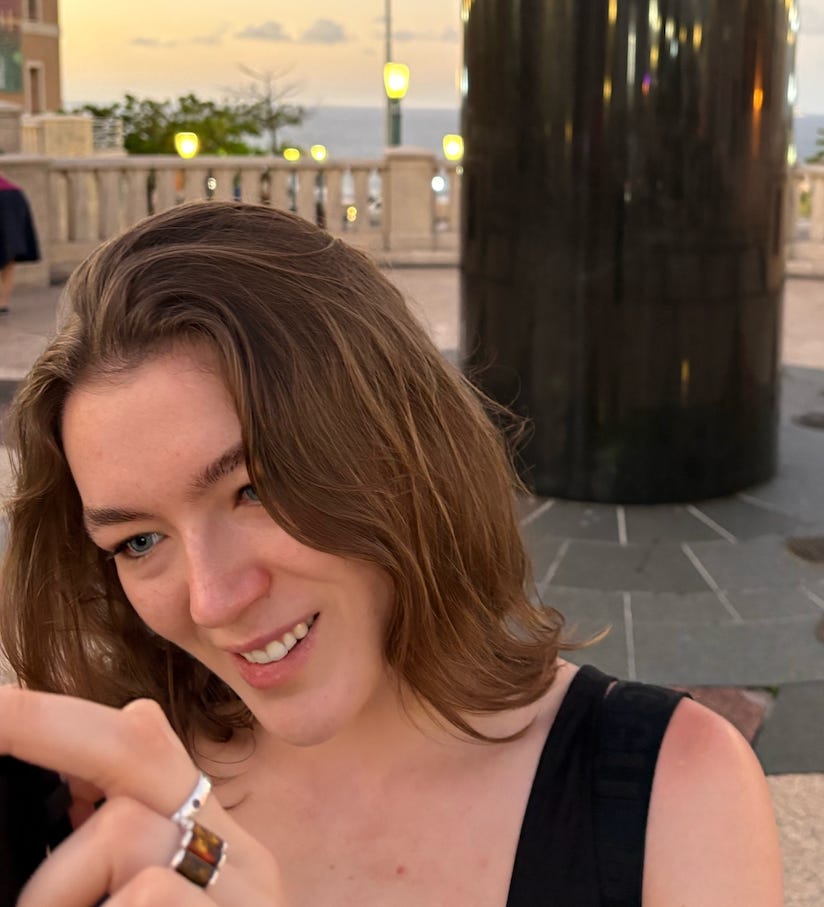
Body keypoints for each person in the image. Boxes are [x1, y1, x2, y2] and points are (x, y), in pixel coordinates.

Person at [0, 201, 783, 906]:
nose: (212, 598)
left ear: (397, 449)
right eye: (139, 541)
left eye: (256, 488)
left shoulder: (673, 791)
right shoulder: (85, 799)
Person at [0, 173, 40, 315]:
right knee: (8, 253)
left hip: (7, 198)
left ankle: (3, 303)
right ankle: (3, 303)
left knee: (7, 253)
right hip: (13, 196)